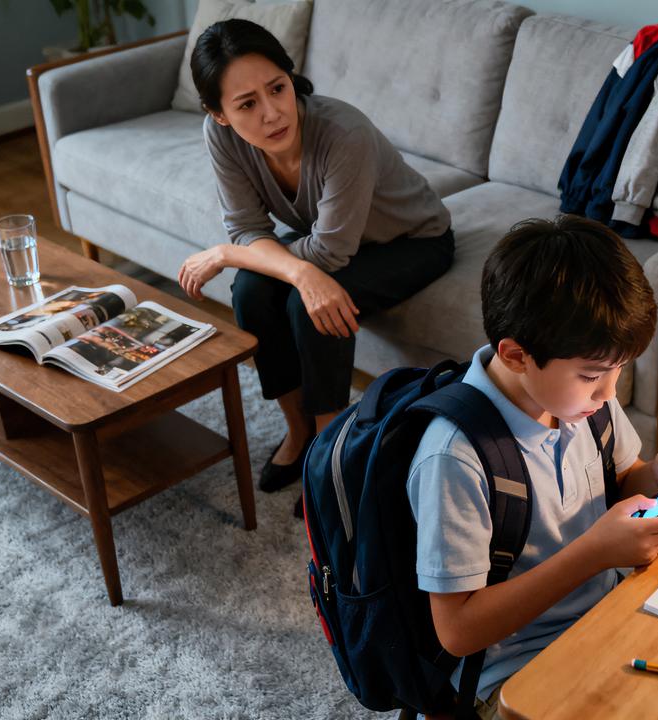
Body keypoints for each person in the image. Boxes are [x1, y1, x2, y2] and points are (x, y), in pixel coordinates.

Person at [407, 216, 658, 718]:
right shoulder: (456, 457)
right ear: (515, 356)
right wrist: (593, 554)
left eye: (618, 369)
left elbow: (619, 482)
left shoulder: (581, 403)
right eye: (593, 374)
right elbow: (458, 631)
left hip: (605, 611)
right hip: (510, 674)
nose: (609, 392)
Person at [177, 19, 454, 501]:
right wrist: (294, 269)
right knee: (249, 289)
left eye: (277, 89)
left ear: (290, 77)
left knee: (309, 304)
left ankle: (332, 454)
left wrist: (227, 254)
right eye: (247, 104)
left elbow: (328, 252)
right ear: (219, 114)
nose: (272, 113)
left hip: (412, 240)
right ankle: (298, 430)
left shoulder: (343, 133)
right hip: (324, 241)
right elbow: (248, 227)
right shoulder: (219, 136)